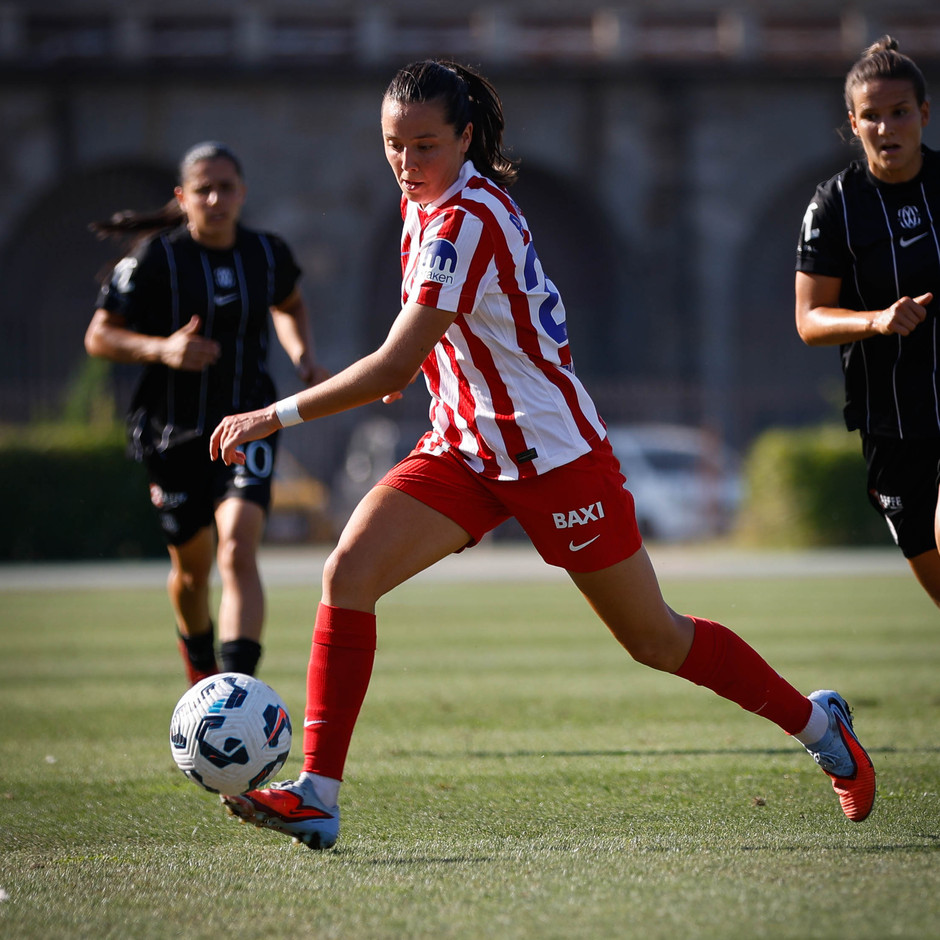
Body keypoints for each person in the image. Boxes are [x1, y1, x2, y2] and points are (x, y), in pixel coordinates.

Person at [210, 60, 875, 849]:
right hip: (464, 447)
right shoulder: (422, 205)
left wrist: (274, 414)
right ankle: (319, 794)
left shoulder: (465, 220)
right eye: (393, 144)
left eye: (425, 145)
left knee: (655, 639)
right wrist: (426, 367)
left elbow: (392, 363)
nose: (407, 162)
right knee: (348, 573)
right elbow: (434, 339)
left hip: (554, 458)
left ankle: (819, 726)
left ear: (465, 138)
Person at [85, 141, 326, 686]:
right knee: (192, 574)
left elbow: (289, 303)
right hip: (172, 433)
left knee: (237, 549)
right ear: (183, 196)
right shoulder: (153, 260)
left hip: (250, 423)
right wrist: (163, 349)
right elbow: (98, 336)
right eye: (203, 189)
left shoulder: (267, 253)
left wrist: (303, 357)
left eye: (226, 188)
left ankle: (237, 690)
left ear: (242, 193)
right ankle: (200, 668)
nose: (215, 199)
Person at [796, 37, 940, 607]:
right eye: (872, 116)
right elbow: (809, 319)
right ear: (853, 124)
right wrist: (877, 320)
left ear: (923, 113)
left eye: (900, 112)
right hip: (891, 419)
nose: (887, 128)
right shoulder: (834, 205)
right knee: (928, 561)